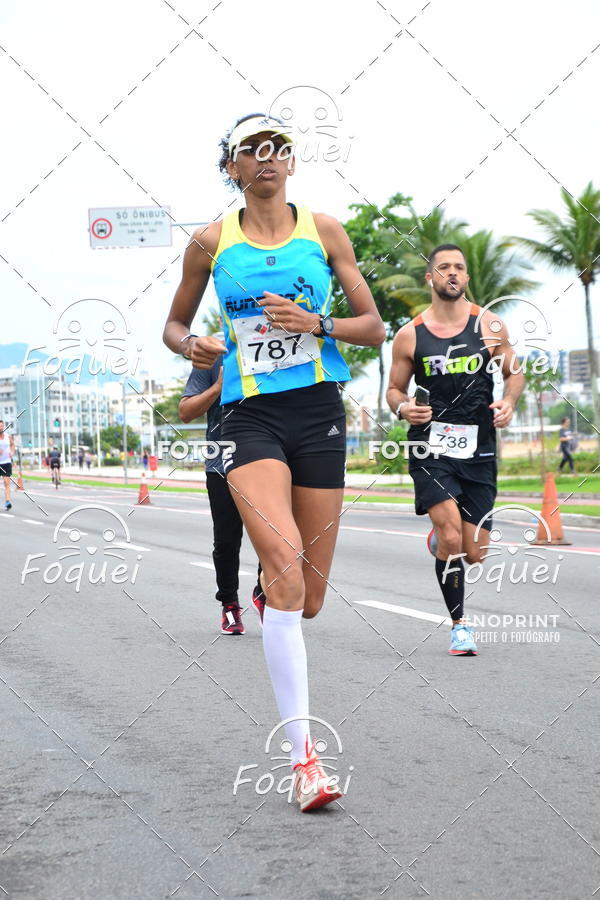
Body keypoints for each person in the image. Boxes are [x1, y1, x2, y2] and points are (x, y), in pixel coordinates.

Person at [163, 113, 385, 811]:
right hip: (244, 415)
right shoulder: (209, 241)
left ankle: (268, 594)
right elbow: (173, 325)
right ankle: (304, 762)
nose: (267, 158)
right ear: (230, 167)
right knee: (287, 568)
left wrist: (314, 323)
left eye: (278, 148)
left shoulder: (325, 231)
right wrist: (191, 348)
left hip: (317, 412)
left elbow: (374, 327)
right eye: (252, 150)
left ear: (291, 163)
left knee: (306, 598)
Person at [386, 244, 524, 656]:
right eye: (443, 267)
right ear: (430, 277)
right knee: (451, 536)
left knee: (476, 552)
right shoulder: (410, 334)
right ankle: (460, 625)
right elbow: (393, 390)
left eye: (459, 268)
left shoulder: (490, 326)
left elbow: (513, 373)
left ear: (466, 278)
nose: (452, 273)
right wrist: (403, 407)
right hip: (430, 447)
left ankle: (440, 541)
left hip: (479, 446)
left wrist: (510, 401)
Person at [179, 342, 264, 635]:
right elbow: (185, 411)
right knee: (227, 541)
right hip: (221, 463)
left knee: (277, 534)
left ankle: (264, 592)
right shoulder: (212, 355)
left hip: (267, 462)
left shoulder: (276, 350)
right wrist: (217, 387)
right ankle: (229, 605)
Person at [0, 420, 15, 510]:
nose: (0, 427)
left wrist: (12, 452)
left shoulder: (8, 437)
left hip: (6, 462)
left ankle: (8, 501)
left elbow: (12, 445)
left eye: (1, 426)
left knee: (7, 482)